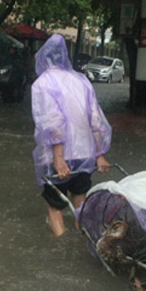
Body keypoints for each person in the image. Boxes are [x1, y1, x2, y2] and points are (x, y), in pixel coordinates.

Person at [31, 34, 112, 237]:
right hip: (85, 154)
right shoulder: (81, 80)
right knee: (80, 204)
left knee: (55, 206)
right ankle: (84, 246)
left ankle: (63, 247)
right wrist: (99, 153)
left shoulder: (42, 83)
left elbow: (52, 122)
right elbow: (96, 118)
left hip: (57, 157)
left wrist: (58, 158)